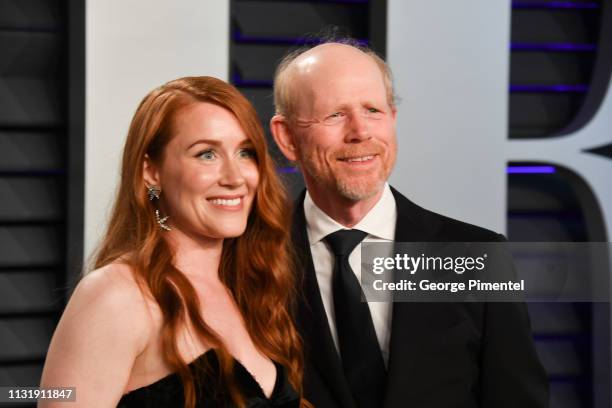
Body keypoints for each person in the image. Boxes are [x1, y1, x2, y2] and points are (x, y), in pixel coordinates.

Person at [270, 41, 549, 408]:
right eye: (335, 114)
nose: (360, 132)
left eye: (373, 110)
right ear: (287, 137)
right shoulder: (247, 259)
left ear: (392, 120)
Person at [40, 76, 307, 408]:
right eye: (206, 154)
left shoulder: (252, 288)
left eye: (245, 152)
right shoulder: (115, 296)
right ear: (151, 171)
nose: (235, 177)